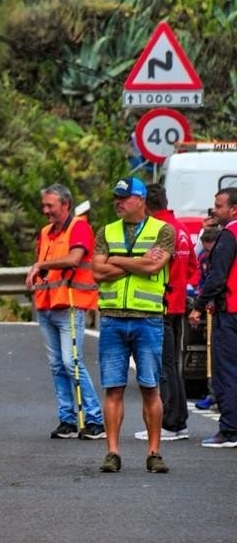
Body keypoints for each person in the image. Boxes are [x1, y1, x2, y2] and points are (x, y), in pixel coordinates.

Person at [93, 176, 174, 474]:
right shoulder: (106, 231)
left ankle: (154, 452)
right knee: (112, 388)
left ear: (140, 200)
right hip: (113, 318)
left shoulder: (163, 231)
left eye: (124, 197)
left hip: (148, 319)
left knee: (150, 388)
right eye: (116, 197)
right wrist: (135, 261)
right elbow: (97, 273)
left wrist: (115, 259)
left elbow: (154, 266)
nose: (118, 202)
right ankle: (112, 452)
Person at [26, 183, 105, 440]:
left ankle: (94, 420)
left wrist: (40, 264)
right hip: (47, 305)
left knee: (72, 363)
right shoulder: (46, 232)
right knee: (56, 365)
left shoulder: (79, 227)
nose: (45, 210)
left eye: (50, 205)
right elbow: (48, 268)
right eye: (44, 205)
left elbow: (73, 259)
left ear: (65, 205)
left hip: (70, 303)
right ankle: (68, 420)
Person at [133, 183, 195, 441]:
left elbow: (149, 266)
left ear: (145, 204)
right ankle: (178, 421)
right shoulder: (180, 229)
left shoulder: (157, 230)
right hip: (179, 302)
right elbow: (193, 266)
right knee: (172, 364)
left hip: (162, 303)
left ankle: (169, 422)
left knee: (162, 367)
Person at [188, 188, 237, 448]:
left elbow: (217, 276)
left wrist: (199, 305)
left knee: (226, 372)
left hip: (229, 312)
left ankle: (229, 430)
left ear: (234, 209)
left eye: (219, 206)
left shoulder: (230, 235)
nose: (213, 210)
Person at [192, 225, 221, 410]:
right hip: (211, 308)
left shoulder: (225, 254)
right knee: (212, 353)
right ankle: (213, 394)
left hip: (224, 307)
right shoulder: (203, 257)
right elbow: (203, 280)